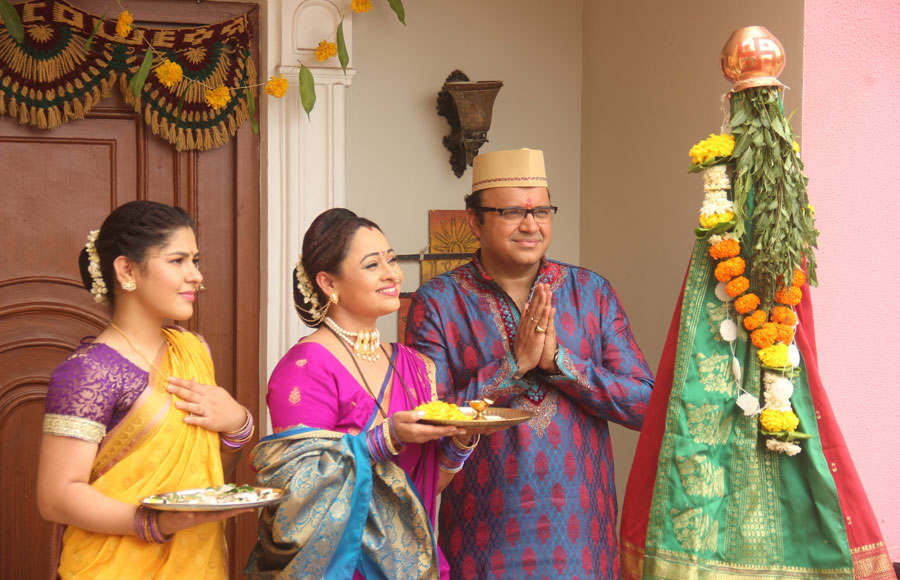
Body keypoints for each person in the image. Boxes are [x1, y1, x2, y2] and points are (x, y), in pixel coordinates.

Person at [405, 148, 655, 579]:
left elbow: (646, 408)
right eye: (511, 212)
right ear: (474, 221)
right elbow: (426, 422)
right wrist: (510, 365)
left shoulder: (590, 292)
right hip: (482, 540)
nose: (531, 225)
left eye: (541, 210)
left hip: (583, 541)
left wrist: (560, 363)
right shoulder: (438, 302)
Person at [246, 208, 476, 580]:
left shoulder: (414, 366)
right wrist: (386, 439)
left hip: (416, 566)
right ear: (329, 283)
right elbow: (300, 495)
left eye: (391, 259)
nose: (392, 274)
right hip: (341, 569)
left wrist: (458, 444)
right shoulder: (306, 367)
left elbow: (422, 491)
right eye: (372, 265)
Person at [37, 200, 254, 580]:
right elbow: (56, 496)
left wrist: (238, 427)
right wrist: (152, 522)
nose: (196, 276)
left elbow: (204, 476)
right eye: (178, 261)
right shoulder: (89, 371)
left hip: (195, 563)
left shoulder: (192, 350)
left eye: (196, 261)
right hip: (111, 567)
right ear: (126, 269)